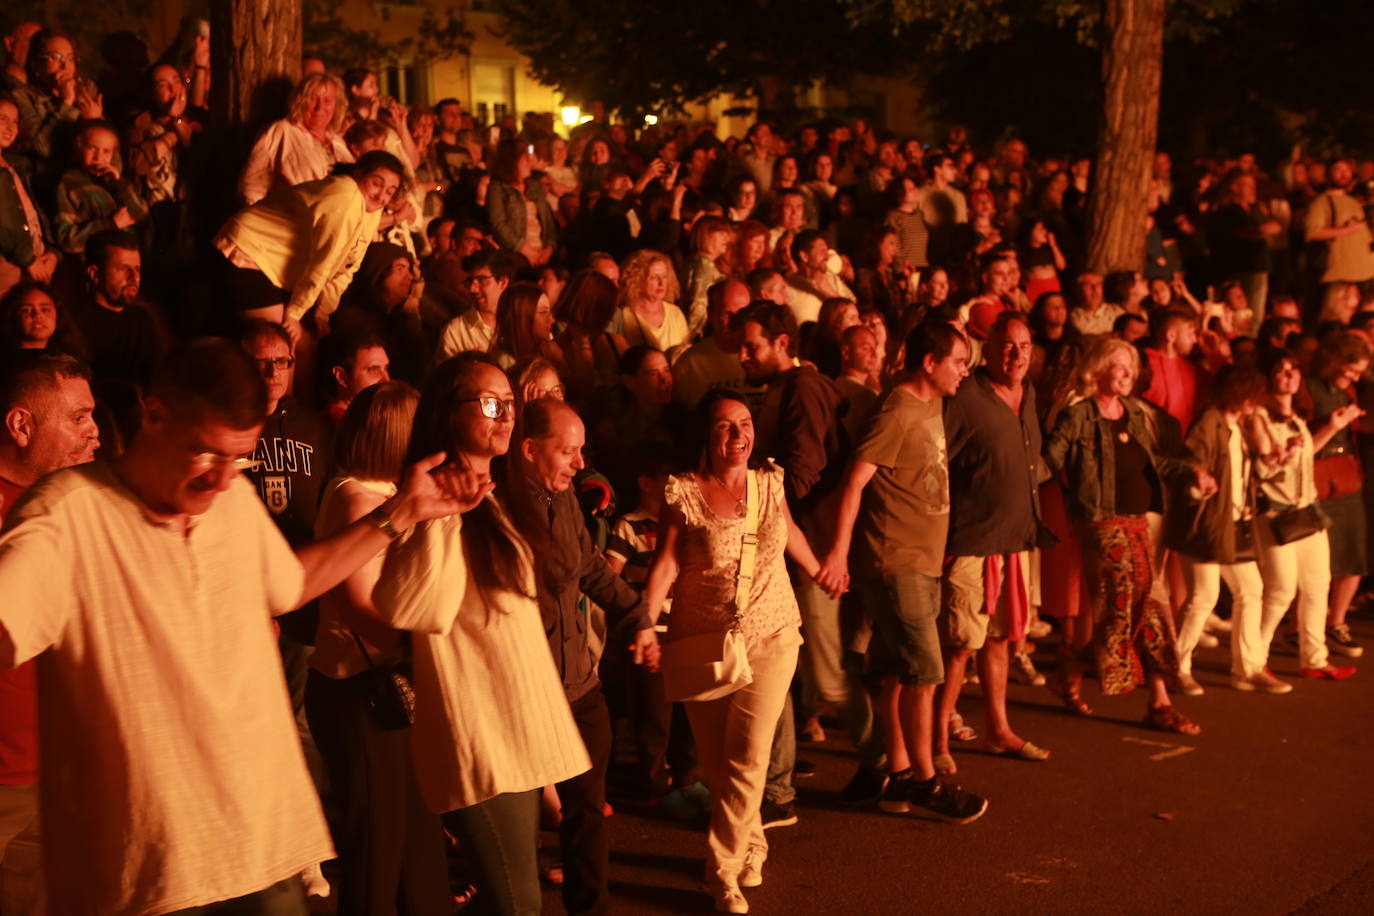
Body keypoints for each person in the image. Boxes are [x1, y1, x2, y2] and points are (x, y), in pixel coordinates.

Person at [0, 338, 473, 915]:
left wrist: (400, 513)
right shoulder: (67, 511)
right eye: (205, 454)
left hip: (264, 841)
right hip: (156, 869)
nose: (220, 481)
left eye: (239, 458)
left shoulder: (231, 503)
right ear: (153, 414)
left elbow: (290, 583)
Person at [372, 354, 592, 916]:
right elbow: (417, 606)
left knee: (517, 900)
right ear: (449, 413)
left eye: (509, 404)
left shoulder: (495, 494)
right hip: (478, 728)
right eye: (490, 404)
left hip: (516, 723)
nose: (504, 416)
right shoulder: (436, 500)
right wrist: (439, 514)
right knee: (518, 903)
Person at [642, 389, 825, 915]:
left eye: (744, 424)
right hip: (703, 640)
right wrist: (647, 625)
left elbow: (788, 530)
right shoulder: (683, 492)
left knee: (748, 758)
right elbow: (666, 566)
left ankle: (719, 872)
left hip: (772, 634)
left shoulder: (770, 483)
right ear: (707, 434)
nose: (738, 435)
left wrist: (819, 569)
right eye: (725, 426)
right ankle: (753, 842)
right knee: (720, 766)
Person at [816, 319, 990, 824]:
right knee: (923, 673)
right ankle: (926, 782)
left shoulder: (931, 401)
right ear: (930, 363)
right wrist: (837, 553)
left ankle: (895, 774)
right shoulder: (894, 411)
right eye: (959, 361)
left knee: (893, 671)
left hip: (922, 559)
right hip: (896, 563)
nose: (965, 371)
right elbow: (855, 483)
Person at [503, 398, 656, 915]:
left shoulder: (562, 495)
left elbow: (589, 566)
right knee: (521, 824)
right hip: (531, 692)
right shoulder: (499, 509)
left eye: (581, 450)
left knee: (587, 812)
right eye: (567, 450)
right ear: (528, 448)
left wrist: (636, 615)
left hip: (579, 685)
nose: (578, 461)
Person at [305, 380, 452, 916]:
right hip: (359, 691)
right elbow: (352, 602)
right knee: (379, 845)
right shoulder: (354, 497)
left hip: (384, 686)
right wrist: (416, 651)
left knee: (416, 835)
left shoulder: (388, 493)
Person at [1044, 337, 1206, 734]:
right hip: (1099, 522)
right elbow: (1049, 462)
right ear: (1097, 369)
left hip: (1139, 521)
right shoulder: (1078, 415)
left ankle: (1079, 671)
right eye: (1119, 366)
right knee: (1127, 602)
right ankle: (1159, 701)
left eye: (1131, 368)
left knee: (1146, 606)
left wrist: (1192, 472)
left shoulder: (1134, 412)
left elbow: (1154, 462)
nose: (1127, 374)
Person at [0, 351, 98, 916]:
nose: (95, 432)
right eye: (78, 417)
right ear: (21, 425)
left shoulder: (81, 505)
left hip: (59, 769)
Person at [933, 312, 1050, 775]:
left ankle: (1000, 729)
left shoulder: (1030, 394)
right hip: (972, 542)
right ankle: (937, 737)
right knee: (961, 645)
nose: (1016, 354)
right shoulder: (966, 397)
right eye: (1006, 345)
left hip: (1015, 542)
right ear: (989, 348)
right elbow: (941, 464)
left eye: (1023, 345)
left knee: (1000, 640)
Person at [1167, 367, 1280, 695]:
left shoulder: (1237, 426)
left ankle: (1248, 668)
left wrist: (1268, 458)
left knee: (1250, 589)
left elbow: (1244, 472)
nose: (1254, 403)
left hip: (1232, 524)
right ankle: (1178, 667)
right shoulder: (1211, 422)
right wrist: (1199, 479)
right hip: (1206, 524)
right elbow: (1192, 461)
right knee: (1204, 596)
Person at [1245, 350, 1356, 680]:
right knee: (1280, 590)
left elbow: (1304, 454)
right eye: (1281, 371)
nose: (1290, 376)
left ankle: (1315, 659)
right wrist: (1283, 455)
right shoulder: (1259, 417)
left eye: (1294, 370)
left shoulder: (1296, 418)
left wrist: (1333, 427)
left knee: (1317, 585)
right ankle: (1254, 658)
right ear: (1269, 378)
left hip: (1307, 510)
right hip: (1276, 513)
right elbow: (1264, 468)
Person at [214, 149, 406, 341]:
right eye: (376, 183)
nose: (382, 195)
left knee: (308, 344)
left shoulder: (372, 211)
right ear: (359, 174)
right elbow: (323, 263)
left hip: (278, 266)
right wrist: (295, 312)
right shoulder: (345, 197)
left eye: (390, 192)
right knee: (282, 342)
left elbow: (347, 268)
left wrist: (322, 314)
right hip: (249, 249)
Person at [1302, 331, 1370, 659]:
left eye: (1358, 373)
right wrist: (1332, 423)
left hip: (1346, 472)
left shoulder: (1349, 390)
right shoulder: (1310, 388)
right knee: (1318, 562)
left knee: (1355, 553)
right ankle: (1303, 628)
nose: (1353, 378)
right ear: (1333, 361)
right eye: (1350, 370)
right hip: (1318, 471)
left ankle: (1336, 621)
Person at [238, 72, 352, 205]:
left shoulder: (337, 141)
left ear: (336, 106)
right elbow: (251, 187)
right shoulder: (282, 131)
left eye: (327, 101)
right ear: (300, 100)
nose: (319, 106)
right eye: (313, 98)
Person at [69, 229, 163, 388]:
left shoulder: (142, 319)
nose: (134, 278)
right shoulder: (72, 323)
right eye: (123, 268)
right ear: (94, 274)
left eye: (137, 269)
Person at [52, 119, 149, 254]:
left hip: (130, 256)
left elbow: (141, 214)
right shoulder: (68, 183)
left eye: (106, 151)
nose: (98, 157)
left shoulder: (115, 180)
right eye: (92, 148)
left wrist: (119, 183)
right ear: (79, 146)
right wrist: (109, 224)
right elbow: (66, 240)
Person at [0, 94, 57, 293]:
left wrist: (53, 252)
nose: (10, 127)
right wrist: (27, 260)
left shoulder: (15, 166)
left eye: (15, 121)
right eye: (2, 119)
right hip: (8, 266)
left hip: (35, 262)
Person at [672, 278, 756, 410]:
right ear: (711, 314)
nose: (735, 320)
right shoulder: (689, 365)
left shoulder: (766, 357)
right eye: (726, 313)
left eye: (742, 312)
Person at [435, 248, 517, 361]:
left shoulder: (521, 321)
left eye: (481, 280)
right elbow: (444, 376)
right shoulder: (456, 332)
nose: (473, 289)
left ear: (503, 282)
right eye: (470, 281)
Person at [487, 139, 555, 266]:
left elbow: (548, 222)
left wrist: (549, 248)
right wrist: (524, 249)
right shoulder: (498, 188)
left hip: (542, 252)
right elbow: (498, 224)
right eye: (524, 159)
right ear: (511, 163)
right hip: (515, 255)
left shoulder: (534, 186)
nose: (529, 162)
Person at [611, 249, 688, 353]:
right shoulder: (623, 317)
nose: (661, 283)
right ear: (637, 280)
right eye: (653, 277)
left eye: (664, 276)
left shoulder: (675, 313)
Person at [321, 330, 391, 426]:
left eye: (386, 368)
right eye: (374, 370)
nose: (387, 380)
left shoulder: (367, 420)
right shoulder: (343, 428)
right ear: (341, 376)